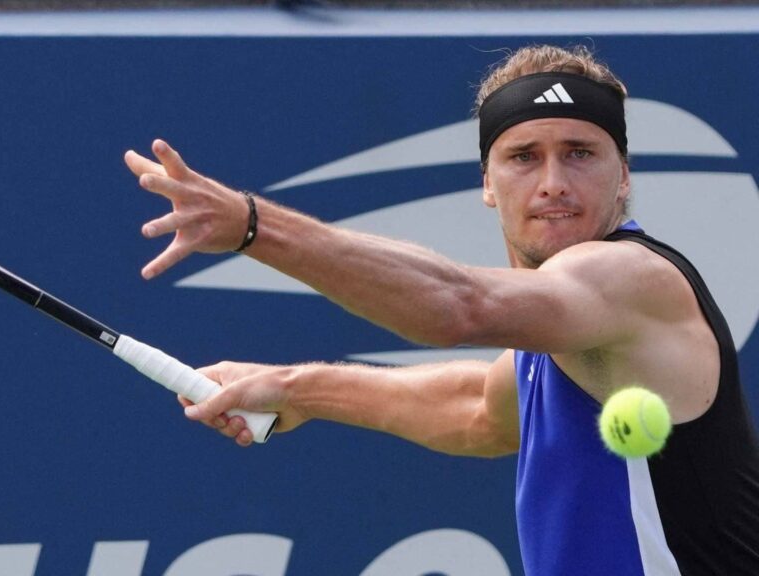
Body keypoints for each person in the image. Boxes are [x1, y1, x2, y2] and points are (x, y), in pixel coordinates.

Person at [123, 45, 759, 575]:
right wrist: (297, 389)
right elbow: (479, 410)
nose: (553, 182)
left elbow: (460, 305)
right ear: (487, 182)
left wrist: (251, 225)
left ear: (624, 176)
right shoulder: (559, 336)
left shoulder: (629, 279)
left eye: (580, 153)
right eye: (524, 157)